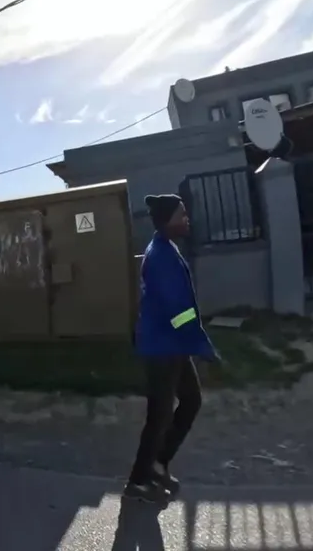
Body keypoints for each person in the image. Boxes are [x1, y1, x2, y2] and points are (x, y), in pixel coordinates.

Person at [125, 194, 219, 503]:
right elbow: (180, 312)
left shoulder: (165, 247)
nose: (187, 219)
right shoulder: (161, 256)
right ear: (167, 221)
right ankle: (138, 481)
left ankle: (158, 463)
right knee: (160, 414)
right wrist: (203, 347)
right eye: (182, 214)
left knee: (190, 400)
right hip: (161, 348)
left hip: (171, 344)